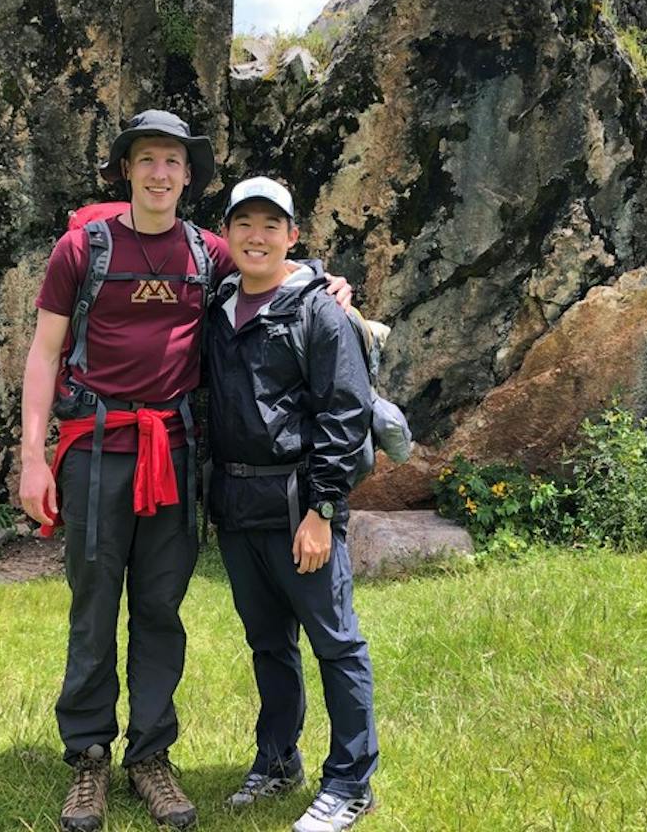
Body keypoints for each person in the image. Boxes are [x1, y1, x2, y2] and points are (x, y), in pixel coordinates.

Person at [18, 112, 349, 831]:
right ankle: (88, 758)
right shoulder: (82, 250)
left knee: (162, 608)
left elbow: (273, 272)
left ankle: (151, 756)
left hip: (174, 450)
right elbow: (45, 353)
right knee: (94, 601)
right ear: (126, 170)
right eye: (146, 160)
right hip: (96, 448)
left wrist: (327, 282)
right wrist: (31, 457)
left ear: (188, 175)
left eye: (172, 161)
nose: (160, 173)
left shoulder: (207, 254)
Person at [203, 176, 380, 832]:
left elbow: (345, 413)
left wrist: (322, 511)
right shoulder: (218, 309)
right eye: (244, 223)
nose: (257, 235)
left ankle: (351, 782)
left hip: (297, 504)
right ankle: (278, 760)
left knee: (336, 643)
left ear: (292, 236)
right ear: (228, 234)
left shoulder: (319, 310)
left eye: (270, 224)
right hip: (237, 503)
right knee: (268, 643)